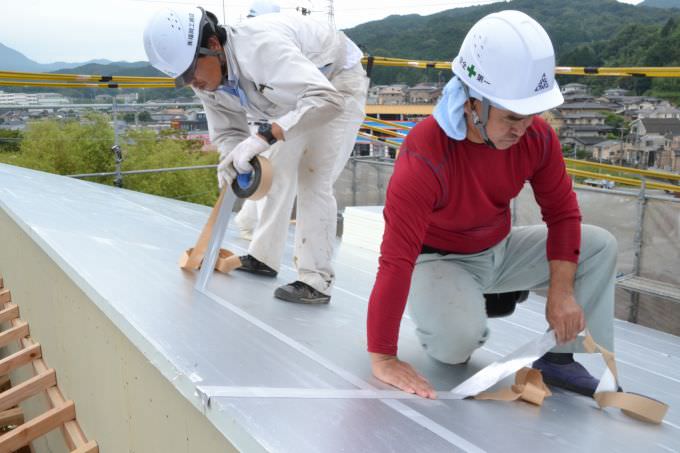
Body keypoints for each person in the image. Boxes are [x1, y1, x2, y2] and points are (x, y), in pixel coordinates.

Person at [366, 10, 618, 399]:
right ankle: (467, 303)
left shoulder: (537, 138)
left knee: (599, 246)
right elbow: (397, 259)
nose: (523, 128)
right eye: (512, 117)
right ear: (472, 103)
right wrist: (383, 357)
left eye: (531, 115)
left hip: (498, 249)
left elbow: (563, 213)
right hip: (439, 260)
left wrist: (562, 293)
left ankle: (559, 359)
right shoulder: (425, 155)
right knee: (455, 348)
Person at [144, 6, 368, 304]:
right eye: (181, 78)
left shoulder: (260, 49)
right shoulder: (206, 78)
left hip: (335, 82)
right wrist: (234, 155)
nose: (190, 83)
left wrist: (263, 137)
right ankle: (263, 258)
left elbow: (326, 100)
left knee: (313, 177)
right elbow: (227, 133)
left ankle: (315, 279)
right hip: (289, 94)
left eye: (190, 72)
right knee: (275, 170)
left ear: (212, 46)